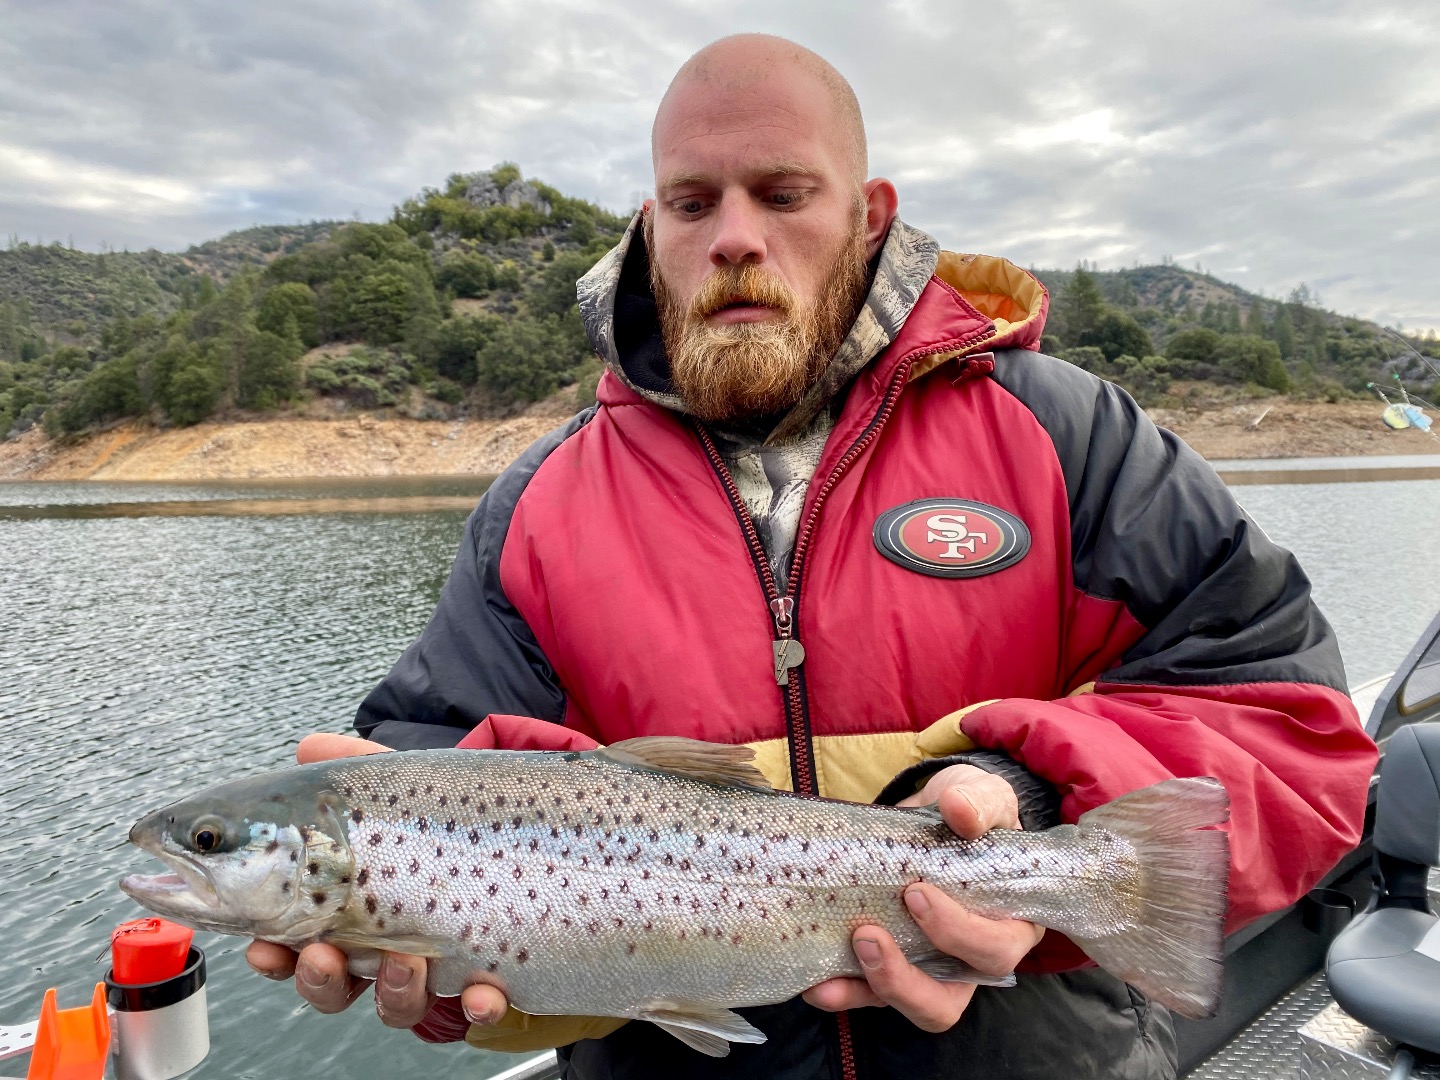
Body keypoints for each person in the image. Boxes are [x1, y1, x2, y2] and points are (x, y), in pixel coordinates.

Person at [247, 33, 1377, 1080]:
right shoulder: (536, 507)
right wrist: (426, 965)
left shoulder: (1072, 438)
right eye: (693, 202)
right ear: (651, 224)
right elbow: (433, 769)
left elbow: (1290, 729)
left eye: (784, 194)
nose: (734, 234)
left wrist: (1033, 798)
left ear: (870, 213)